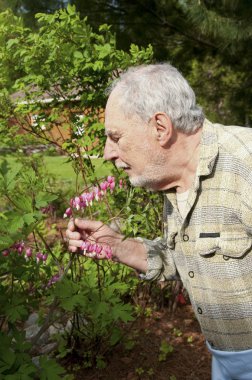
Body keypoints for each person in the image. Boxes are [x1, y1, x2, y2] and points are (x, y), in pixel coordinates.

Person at [66, 63, 252, 380]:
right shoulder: (173, 181)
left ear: (160, 128)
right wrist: (116, 246)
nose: (108, 152)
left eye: (115, 137)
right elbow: (180, 257)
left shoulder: (245, 163)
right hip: (224, 362)